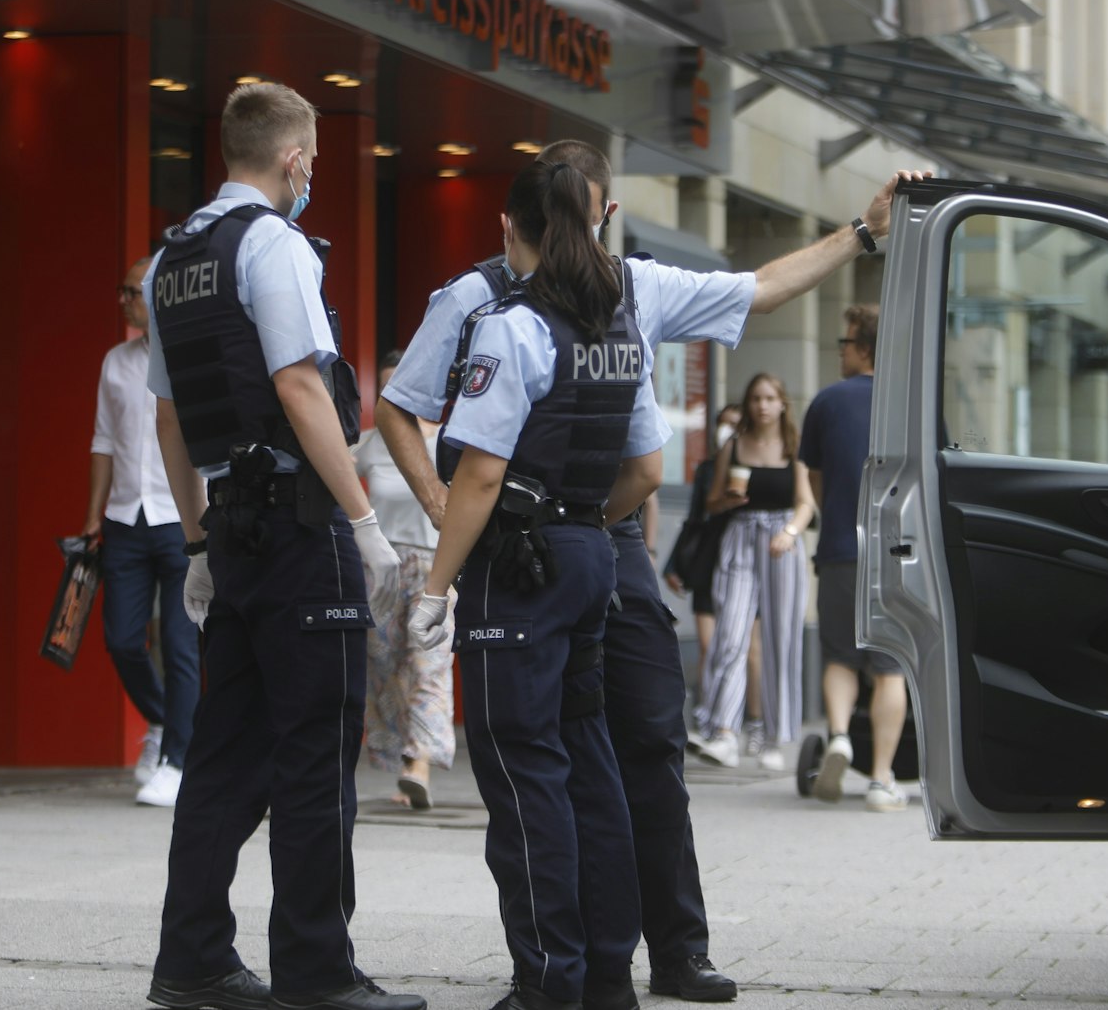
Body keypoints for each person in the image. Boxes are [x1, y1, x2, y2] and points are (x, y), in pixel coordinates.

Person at [379, 139, 931, 1000]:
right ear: (576, 212)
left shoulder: (621, 291)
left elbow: (761, 290)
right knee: (577, 758)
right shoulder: (477, 299)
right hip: (565, 546)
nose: (597, 228)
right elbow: (405, 409)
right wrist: (451, 511)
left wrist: (861, 233)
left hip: (589, 547)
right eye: (589, 210)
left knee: (629, 747)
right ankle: (599, 970)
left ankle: (651, 953)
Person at [140, 82, 423, 1010]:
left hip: (232, 526)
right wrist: (365, 523)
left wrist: (194, 543)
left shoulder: (168, 261)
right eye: (314, 161)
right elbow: (302, 386)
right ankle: (316, 969)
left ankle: (192, 958)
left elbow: (172, 419)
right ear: (294, 158)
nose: (313, 175)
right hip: (302, 529)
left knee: (224, 752)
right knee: (315, 749)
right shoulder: (273, 244)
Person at [406, 160, 653, 1010]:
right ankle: (608, 974)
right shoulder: (622, 322)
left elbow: (478, 475)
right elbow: (647, 468)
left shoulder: (515, 325)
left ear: (515, 228)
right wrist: (579, 519)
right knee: (589, 763)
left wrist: (436, 586)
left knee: (521, 774)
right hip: (591, 552)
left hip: (520, 568)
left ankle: (548, 978)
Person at [82, 257, 201, 808]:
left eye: (131, 291)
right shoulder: (115, 363)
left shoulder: (190, 360)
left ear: (156, 298)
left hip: (180, 519)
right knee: (122, 639)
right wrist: (93, 515)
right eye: (121, 290)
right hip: (126, 519)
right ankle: (159, 719)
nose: (123, 300)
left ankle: (178, 761)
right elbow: (104, 442)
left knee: (181, 645)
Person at [799, 304, 906, 811]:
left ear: (863, 347)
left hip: (840, 549)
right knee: (890, 666)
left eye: (844, 343)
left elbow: (815, 482)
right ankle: (882, 779)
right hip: (894, 554)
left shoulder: (825, 403)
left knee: (840, 655)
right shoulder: (909, 405)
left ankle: (839, 736)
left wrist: (840, 517)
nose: (839, 351)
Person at [694, 374, 813, 769]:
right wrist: (728, 500)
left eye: (769, 398)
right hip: (740, 536)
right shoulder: (733, 445)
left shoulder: (795, 447)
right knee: (730, 633)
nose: (762, 405)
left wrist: (791, 532)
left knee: (781, 638)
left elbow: (806, 504)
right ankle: (724, 732)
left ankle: (776, 740)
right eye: (755, 398)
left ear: (782, 404)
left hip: (782, 542)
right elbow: (711, 504)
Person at [354, 350, 454, 810]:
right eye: (387, 386)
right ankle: (402, 759)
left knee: (429, 663)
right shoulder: (369, 444)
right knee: (384, 663)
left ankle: (420, 765)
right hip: (380, 568)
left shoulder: (449, 442)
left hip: (436, 564)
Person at [664, 404, 742, 704]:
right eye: (723, 424)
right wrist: (673, 564)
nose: (727, 430)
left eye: (734, 424)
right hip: (707, 562)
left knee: (740, 647)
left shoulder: (753, 468)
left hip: (740, 560)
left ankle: (740, 713)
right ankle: (709, 708)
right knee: (709, 646)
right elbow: (694, 518)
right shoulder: (707, 470)